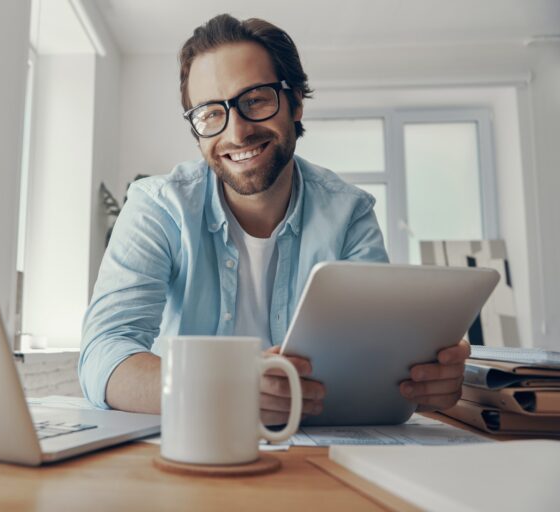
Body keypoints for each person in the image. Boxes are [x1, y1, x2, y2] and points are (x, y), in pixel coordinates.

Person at [79, 14, 469, 424]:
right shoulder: (158, 207)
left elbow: (375, 361)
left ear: (296, 102)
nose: (237, 132)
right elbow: (104, 357)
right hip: (192, 447)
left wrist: (423, 379)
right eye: (211, 113)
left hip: (315, 456)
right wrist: (226, 386)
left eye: (256, 100)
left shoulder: (349, 213)